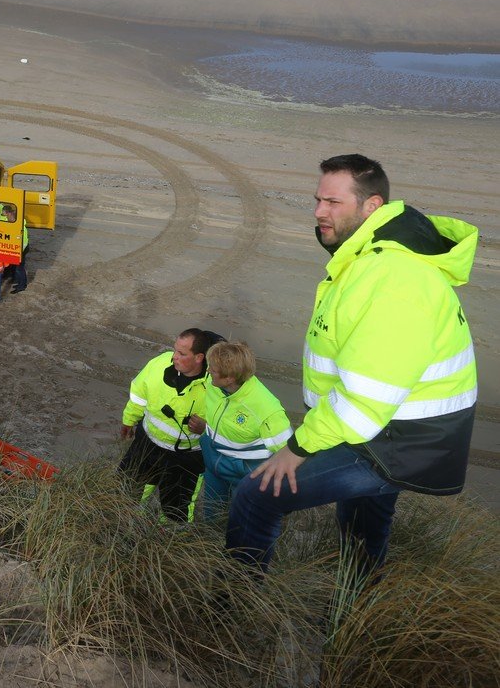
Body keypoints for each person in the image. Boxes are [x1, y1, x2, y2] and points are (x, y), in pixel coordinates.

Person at [227, 154, 477, 578]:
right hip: (386, 428)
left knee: (257, 494)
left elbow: (365, 400)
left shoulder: (393, 277)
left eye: (332, 203)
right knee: (363, 525)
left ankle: (230, 606)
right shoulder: (372, 259)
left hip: (394, 441)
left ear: (371, 207)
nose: (318, 212)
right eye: (317, 200)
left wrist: (298, 448)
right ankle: (355, 610)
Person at [118, 328, 222, 522]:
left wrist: (206, 428)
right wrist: (129, 419)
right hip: (146, 445)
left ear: (199, 357)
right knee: (125, 490)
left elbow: (227, 424)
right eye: (175, 350)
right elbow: (138, 393)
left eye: (182, 354)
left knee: (176, 513)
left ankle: (169, 543)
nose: (174, 357)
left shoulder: (216, 383)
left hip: (186, 459)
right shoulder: (159, 364)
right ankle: (128, 525)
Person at [198, 341, 292, 522]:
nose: (208, 371)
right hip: (213, 466)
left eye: (213, 369)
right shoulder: (213, 384)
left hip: (244, 476)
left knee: (241, 523)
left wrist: (282, 497)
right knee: (211, 519)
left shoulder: (267, 409)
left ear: (229, 378)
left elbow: (289, 452)